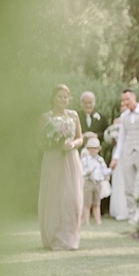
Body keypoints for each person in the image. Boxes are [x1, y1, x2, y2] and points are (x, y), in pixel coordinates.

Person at [39, 84, 84, 250]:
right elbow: (40, 142)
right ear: (53, 98)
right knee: (53, 197)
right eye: (60, 96)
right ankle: (52, 236)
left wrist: (72, 144)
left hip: (71, 160)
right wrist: (54, 142)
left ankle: (69, 237)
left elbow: (80, 138)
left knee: (71, 197)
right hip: (53, 159)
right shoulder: (46, 117)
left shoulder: (73, 116)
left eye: (66, 97)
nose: (63, 100)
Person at [109, 89, 139, 221]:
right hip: (127, 153)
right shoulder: (124, 117)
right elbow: (122, 138)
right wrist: (116, 158)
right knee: (128, 186)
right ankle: (132, 215)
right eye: (123, 100)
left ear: (134, 97)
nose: (125, 102)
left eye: (127, 99)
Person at [80, 133, 111, 226]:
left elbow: (104, 170)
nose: (94, 150)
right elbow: (82, 170)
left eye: (95, 148)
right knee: (87, 203)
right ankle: (86, 221)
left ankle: (98, 221)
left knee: (97, 203)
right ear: (88, 149)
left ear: (98, 149)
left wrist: (107, 174)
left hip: (98, 182)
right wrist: (87, 172)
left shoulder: (100, 160)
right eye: (91, 148)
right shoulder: (85, 160)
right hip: (89, 182)